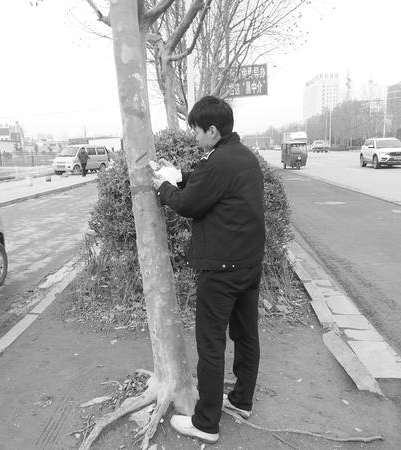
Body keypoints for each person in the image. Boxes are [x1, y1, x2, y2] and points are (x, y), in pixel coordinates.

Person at [151, 95, 266, 444]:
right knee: (245, 335)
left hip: (221, 269)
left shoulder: (217, 162)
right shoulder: (242, 156)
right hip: (249, 264)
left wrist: (163, 186)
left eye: (198, 131)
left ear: (213, 131)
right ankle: (241, 400)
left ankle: (206, 423)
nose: (195, 137)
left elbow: (189, 203)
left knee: (211, 344)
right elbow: (207, 183)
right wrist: (178, 175)